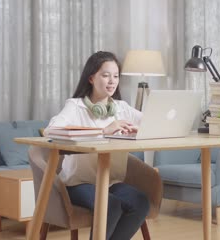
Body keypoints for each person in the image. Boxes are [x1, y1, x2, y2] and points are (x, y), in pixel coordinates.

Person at [46, 51, 150, 240]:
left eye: (116, 76)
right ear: (91, 78)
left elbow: (152, 122)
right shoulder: (75, 106)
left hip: (111, 182)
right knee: (109, 205)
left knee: (140, 202)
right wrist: (103, 132)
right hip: (78, 183)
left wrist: (139, 129)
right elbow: (51, 130)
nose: (112, 81)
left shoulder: (121, 108)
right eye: (106, 75)